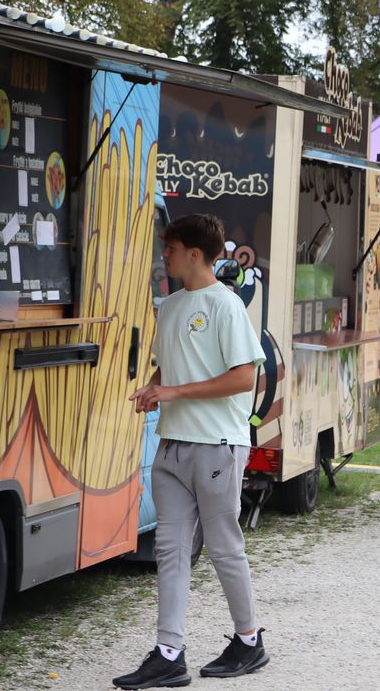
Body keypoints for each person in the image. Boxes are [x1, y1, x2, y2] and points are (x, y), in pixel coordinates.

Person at [113, 214, 267, 690]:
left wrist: (173, 395)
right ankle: (169, 653)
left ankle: (249, 640)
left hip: (218, 447)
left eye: (171, 247)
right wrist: (154, 387)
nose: (165, 254)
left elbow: (245, 377)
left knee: (223, 548)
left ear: (195, 253)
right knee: (171, 552)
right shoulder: (171, 305)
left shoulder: (225, 306)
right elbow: (174, 368)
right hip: (173, 448)